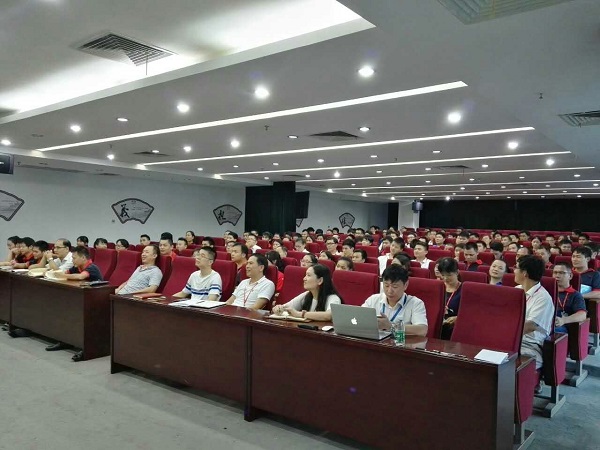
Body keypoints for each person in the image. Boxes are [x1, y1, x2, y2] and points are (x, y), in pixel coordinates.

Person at [361, 265, 427, 335]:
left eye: (395, 286)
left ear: (406, 285)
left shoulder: (415, 303)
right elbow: (359, 318)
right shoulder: (373, 299)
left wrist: (391, 326)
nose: (389, 291)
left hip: (401, 341)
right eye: (386, 285)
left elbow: (422, 330)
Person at [514, 255, 554, 370]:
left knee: (506, 366)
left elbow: (530, 326)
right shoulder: (516, 290)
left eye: (516, 268)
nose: (514, 271)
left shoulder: (543, 298)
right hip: (511, 340)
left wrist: (505, 335)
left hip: (530, 345)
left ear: (525, 273)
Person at [272, 264, 342, 321]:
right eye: (305, 275)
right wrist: (279, 308)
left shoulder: (333, 298)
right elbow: (287, 307)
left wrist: (301, 314)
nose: (304, 279)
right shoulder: (306, 295)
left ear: (320, 280)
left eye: (308, 275)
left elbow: (329, 315)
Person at [551, 262, 587, 333]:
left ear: (570, 276)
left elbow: (582, 315)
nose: (557, 276)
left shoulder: (576, 295)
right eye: (555, 273)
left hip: (562, 326)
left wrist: (564, 320)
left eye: (561, 273)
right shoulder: (548, 292)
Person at [437, 257, 462, 339]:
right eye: (443, 275)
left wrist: (458, 318)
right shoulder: (438, 287)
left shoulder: (464, 290)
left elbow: (469, 312)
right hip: (437, 324)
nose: (445, 278)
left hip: (453, 327)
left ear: (457, 272)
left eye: (449, 275)